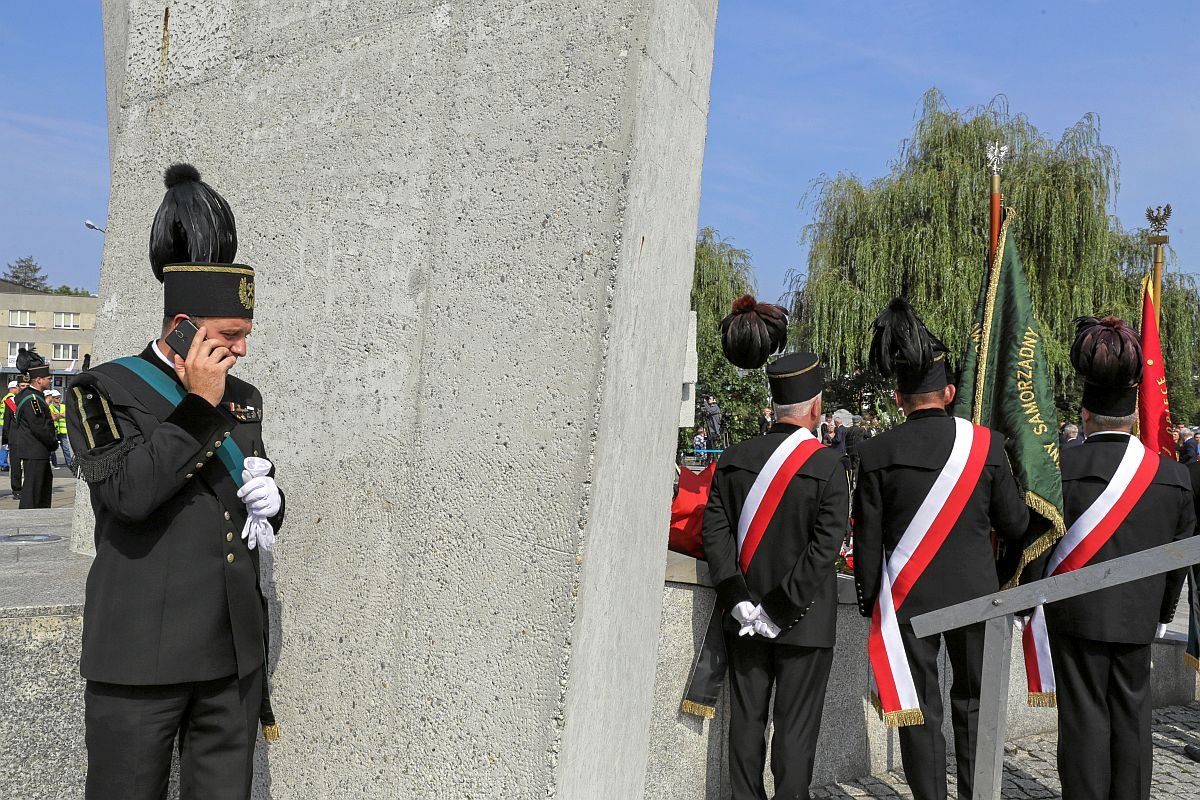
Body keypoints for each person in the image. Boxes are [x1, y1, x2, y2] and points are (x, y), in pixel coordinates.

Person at [66, 164, 285, 800]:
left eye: (244, 336)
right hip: (141, 655)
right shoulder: (101, 389)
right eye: (228, 336)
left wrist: (273, 505)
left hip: (228, 653)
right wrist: (197, 405)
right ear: (183, 327)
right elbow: (127, 493)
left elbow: (239, 494)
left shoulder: (243, 396)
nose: (240, 351)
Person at [853, 298, 1029, 800]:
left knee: (921, 711)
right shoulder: (987, 445)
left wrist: (871, 601)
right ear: (950, 393)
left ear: (898, 396)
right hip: (978, 595)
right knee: (973, 704)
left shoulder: (874, 453)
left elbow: (867, 540)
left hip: (908, 600)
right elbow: (1014, 523)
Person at [1030, 316, 1195, 800]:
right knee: (1132, 717)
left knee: (1082, 719)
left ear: (1084, 413)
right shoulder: (1173, 477)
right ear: (1135, 415)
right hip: (1138, 617)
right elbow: (1176, 560)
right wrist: (1161, 614)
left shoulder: (1057, 470)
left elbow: (1037, 544)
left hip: (1074, 615)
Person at [701, 351, 848, 799]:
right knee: (795, 731)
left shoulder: (734, 458)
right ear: (816, 408)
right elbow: (824, 549)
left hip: (743, 620)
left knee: (746, 721)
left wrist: (738, 598)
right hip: (806, 621)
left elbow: (715, 531)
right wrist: (780, 606)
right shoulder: (827, 466)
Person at [10, 350, 59, 508]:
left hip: (35, 451)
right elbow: (40, 427)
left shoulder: (32, 397)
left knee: (39, 491)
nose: (50, 381)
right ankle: (29, 522)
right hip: (36, 451)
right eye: (48, 378)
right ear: (38, 380)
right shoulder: (33, 400)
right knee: (34, 494)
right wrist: (53, 443)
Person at [3, 378, 28, 495]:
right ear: (17, 387)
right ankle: (17, 489)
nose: (24, 388)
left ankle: (28, 487)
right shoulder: (10, 402)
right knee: (16, 466)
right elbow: (6, 422)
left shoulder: (32, 400)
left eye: (27, 386)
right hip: (15, 438)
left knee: (29, 466)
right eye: (22, 386)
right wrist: (5, 440)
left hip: (29, 438)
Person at [45, 389, 73, 468]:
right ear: (52, 398)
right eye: (57, 398)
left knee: (66, 448)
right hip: (54, 430)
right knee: (53, 449)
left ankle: (69, 463)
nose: (59, 399)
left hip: (63, 431)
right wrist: (60, 415)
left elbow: (66, 415)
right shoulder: (49, 406)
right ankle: (54, 463)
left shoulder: (63, 406)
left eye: (59, 397)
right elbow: (53, 417)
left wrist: (57, 415)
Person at [0, 380, 15, 472]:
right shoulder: (10, 398)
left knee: (4, 445)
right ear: (12, 388)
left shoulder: (5, 397)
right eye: (17, 387)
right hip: (7, 424)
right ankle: (3, 464)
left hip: (3, 423)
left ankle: (3, 463)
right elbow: (15, 410)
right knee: (6, 445)